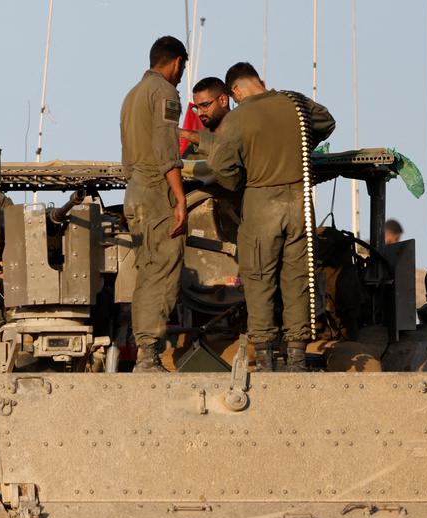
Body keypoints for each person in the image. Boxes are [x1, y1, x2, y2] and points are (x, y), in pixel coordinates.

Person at [208, 63, 335, 371]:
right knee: (298, 280)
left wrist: (241, 184)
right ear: (260, 81)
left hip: (261, 201)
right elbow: (327, 121)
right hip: (299, 202)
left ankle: (265, 357)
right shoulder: (296, 103)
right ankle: (296, 357)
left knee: (259, 279)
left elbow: (221, 167)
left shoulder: (238, 117)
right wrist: (301, 146)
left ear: (235, 91)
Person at [120, 35, 189, 372]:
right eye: (182, 68)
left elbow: (127, 157)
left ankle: (144, 351)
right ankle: (149, 354)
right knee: (162, 271)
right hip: (154, 191)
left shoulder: (131, 95)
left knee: (147, 272)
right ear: (176, 62)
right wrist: (179, 199)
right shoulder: (164, 92)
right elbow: (167, 151)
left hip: (134, 192)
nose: (182, 76)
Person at [181, 76, 230, 158]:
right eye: (196, 108)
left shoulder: (245, 128)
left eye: (205, 105)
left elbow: (230, 150)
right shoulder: (193, 147)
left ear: (223, 100)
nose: (199, 113)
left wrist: (187, 134)